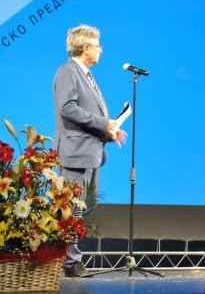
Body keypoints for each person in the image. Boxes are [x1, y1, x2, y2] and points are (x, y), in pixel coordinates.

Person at [53, 25, 126, 277]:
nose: (101, 51)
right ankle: (69, 262)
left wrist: (107, 132)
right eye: (98, 46)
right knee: (72, 209)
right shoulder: (68, 71)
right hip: (75, 153)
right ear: (86, 48)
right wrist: (104, 123)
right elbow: (67, 108)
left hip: (91, 152)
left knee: (86, 206)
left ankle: (65, 256)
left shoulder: (86, 74)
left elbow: (87, 114)